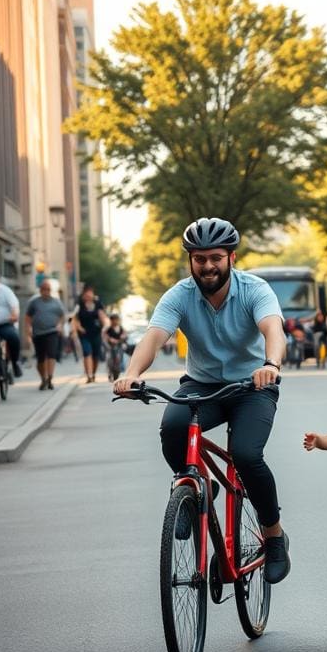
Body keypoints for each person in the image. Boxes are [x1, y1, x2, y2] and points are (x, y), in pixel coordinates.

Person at [113, 217, 291, 584]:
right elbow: (154, 336)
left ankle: (274, 535)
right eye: (199, 258)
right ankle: (190, 492)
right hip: (201, 385)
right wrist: (132, 373)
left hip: (253, 387)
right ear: (190, 260)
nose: (207, 266)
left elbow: (274, 329)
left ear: (231, 258)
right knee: (173, 427)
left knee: (246, 454)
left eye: (215, 258)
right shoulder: (179, 295)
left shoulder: (254, 290)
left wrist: (270, 364)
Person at [24, 281, 66, 390]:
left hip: (52, 332)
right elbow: (28, 317)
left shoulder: (56, 302)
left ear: (50, 291)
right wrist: (28, 328)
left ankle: (50, 378)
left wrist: (60, 325)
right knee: (40, 358)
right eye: (44, 290)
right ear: (40, 291)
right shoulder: (34, 302)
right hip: (38, 333)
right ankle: (43, 378)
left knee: (51, 354)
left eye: (48, 290)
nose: (46, 292)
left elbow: (62, 315)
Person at [73, 285, 108, 383]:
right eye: (86, 294)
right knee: (87, 353)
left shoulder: (98, 304)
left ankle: (93, 374)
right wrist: (79, 328)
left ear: (93, 294)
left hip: (96, 333)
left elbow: (102, 316)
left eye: (90, 293)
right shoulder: (79, 305)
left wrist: (105, 326)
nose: (88, 296)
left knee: (95, 355)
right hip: (84, 334)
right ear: (83, 295)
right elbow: (74, 318)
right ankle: (89, 375)